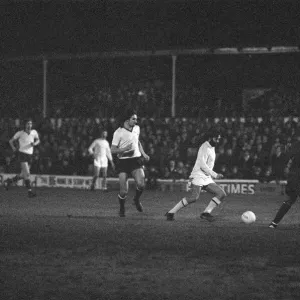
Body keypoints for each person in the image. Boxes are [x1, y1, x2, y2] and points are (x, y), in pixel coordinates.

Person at [165, 128, 226, 222]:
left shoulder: (212, 147)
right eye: (216, 139)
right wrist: (215, 174)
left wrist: (211, 175)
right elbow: (202, 165)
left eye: (218, 139)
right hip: (198, 175)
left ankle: (206, 213)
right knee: (194, 198)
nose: (218, 141)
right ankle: (171, 213)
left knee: (221, 194)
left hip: (206, 177)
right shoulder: (204, 147)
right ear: (210, 138)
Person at [111, 109, 150, 217]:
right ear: (127, 120)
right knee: (124, 191)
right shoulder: (118, 132)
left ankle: (136, 200)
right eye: (133, 119)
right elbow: (112, 150)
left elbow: (137, 141)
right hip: (123, 162)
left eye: (136, 119)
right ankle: (122, 208)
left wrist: (144, 153)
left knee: (141, 184)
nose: (136, 121)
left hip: (135, 160)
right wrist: (123, 149)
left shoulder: (137, 128)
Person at [269, 136, 300, 228]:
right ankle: (274, 223)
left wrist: (288, 169)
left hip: (293, 177)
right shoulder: (295, 146)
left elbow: (288, 159)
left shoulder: (294, 146)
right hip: (296, 177)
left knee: (289, 200)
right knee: (290, 200)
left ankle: (274, 223)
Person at [3, 118, 40, 197]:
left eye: (30, 124)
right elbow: (10, 141)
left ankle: (9, 181)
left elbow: (38, 140)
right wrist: (13, 147)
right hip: (22, 154)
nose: (29, 125)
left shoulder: (34, 132)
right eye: (28, 124)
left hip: (30, 155)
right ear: (25, 125)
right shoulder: (20, 133)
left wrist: (34, 144)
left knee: (23, 175)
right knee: (27, 174)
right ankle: (30, 192)